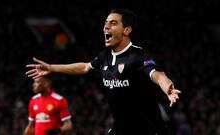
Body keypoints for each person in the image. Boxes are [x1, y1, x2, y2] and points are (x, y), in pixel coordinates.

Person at [25, 8, 181, 135]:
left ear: (126, 30)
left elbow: (157, 75)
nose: (106, 27)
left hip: (149, 130)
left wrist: (167, 87)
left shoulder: (137, 56)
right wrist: (52, 68)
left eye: (113, 23)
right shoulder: (104, 56)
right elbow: (85, 67)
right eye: (106, 23)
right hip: (121, 129)